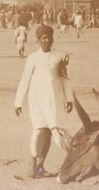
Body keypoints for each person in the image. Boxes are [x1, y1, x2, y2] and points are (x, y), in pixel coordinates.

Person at [13, 25, 73, 179]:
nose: (47, 40)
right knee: (39, 130)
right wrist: (18, 102)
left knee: (53, 132)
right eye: (43, 38)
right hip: (36, 100)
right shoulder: (32, 58)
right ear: (38, 40)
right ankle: (32, 164)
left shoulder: (60, 57)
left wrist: (69, 99)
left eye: (49, 37)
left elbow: (64, 79)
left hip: (54, 100)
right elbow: (25, 79)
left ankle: (41, 167)